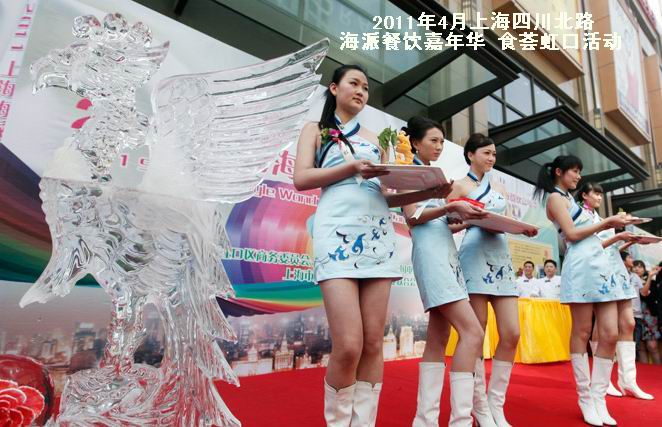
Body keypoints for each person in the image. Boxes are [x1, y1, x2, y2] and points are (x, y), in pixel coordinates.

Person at [293, 64, 448, 426]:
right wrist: (351, 168)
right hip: (336, 236)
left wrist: (428, 192)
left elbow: (387, 196)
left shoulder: (378, 140)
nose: (361, 91)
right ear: (334, 88)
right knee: (349, 344)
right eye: (354, 83)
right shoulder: (315, 130)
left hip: (378, 238)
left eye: (365, 87)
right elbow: (301, 178)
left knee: (374, 342)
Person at [400, 117, 488, 427]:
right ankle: (460, 421)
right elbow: (413, 217)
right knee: (473, 332)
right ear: (415, 142)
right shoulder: (408, 171)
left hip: (445, 253)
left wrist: (465, 219)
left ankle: (425, 420)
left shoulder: (432, 174)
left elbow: (434, 221)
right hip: (431, 256)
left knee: (439, 338)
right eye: (433, 140)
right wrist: (451, 207)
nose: (439, 146)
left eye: (441, 141)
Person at [534, 155, 630, 426]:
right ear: (559, 172)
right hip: (580, 268)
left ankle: (599, 398)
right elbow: (572, 235)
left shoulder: (572, 200)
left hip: (601, 267)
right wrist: (607, 222)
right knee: (583, 331)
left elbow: (594, 240)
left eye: (579, 171)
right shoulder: (555, 199)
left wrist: (617, 233)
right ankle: (585, 397)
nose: (578, 176)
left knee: (610, 333)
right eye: (574, 171)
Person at [449, 133, 537, 427]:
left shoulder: (498, 187)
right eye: (486, 153)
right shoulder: (458, 185)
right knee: (476, 333)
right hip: (474, 255)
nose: (491, 158)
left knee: (511, 333)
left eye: (494, 154)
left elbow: (506, 221)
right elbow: (446, 224)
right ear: (471, 154)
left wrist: (522, 229)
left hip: (501, 257)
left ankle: (496, 404)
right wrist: (470, 219)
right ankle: (480, 408)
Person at [577, 182, 653, 399]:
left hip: (617, 271)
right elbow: (588, 247)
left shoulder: (601, 218)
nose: (599, 197)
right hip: (598, 272)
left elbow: (610, 248)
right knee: (601, 327)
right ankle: (603, 379)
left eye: (601, 194)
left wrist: (631, 242)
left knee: (628, 323)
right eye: (595, 193)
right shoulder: (581, 217)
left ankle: (628, 381)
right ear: (584, 195)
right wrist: (618, 236)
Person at [635, 260, 661, 365]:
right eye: (635, 267)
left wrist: (649, 277)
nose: (637, 269)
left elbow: (646, 295)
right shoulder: (629, 280)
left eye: (640, 267)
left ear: (644, 269)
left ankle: (658, 370)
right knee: (640, 346)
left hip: (649, 316)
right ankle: (644, 372)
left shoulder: (652, 282)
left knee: (652, 346)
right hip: (634, 315)